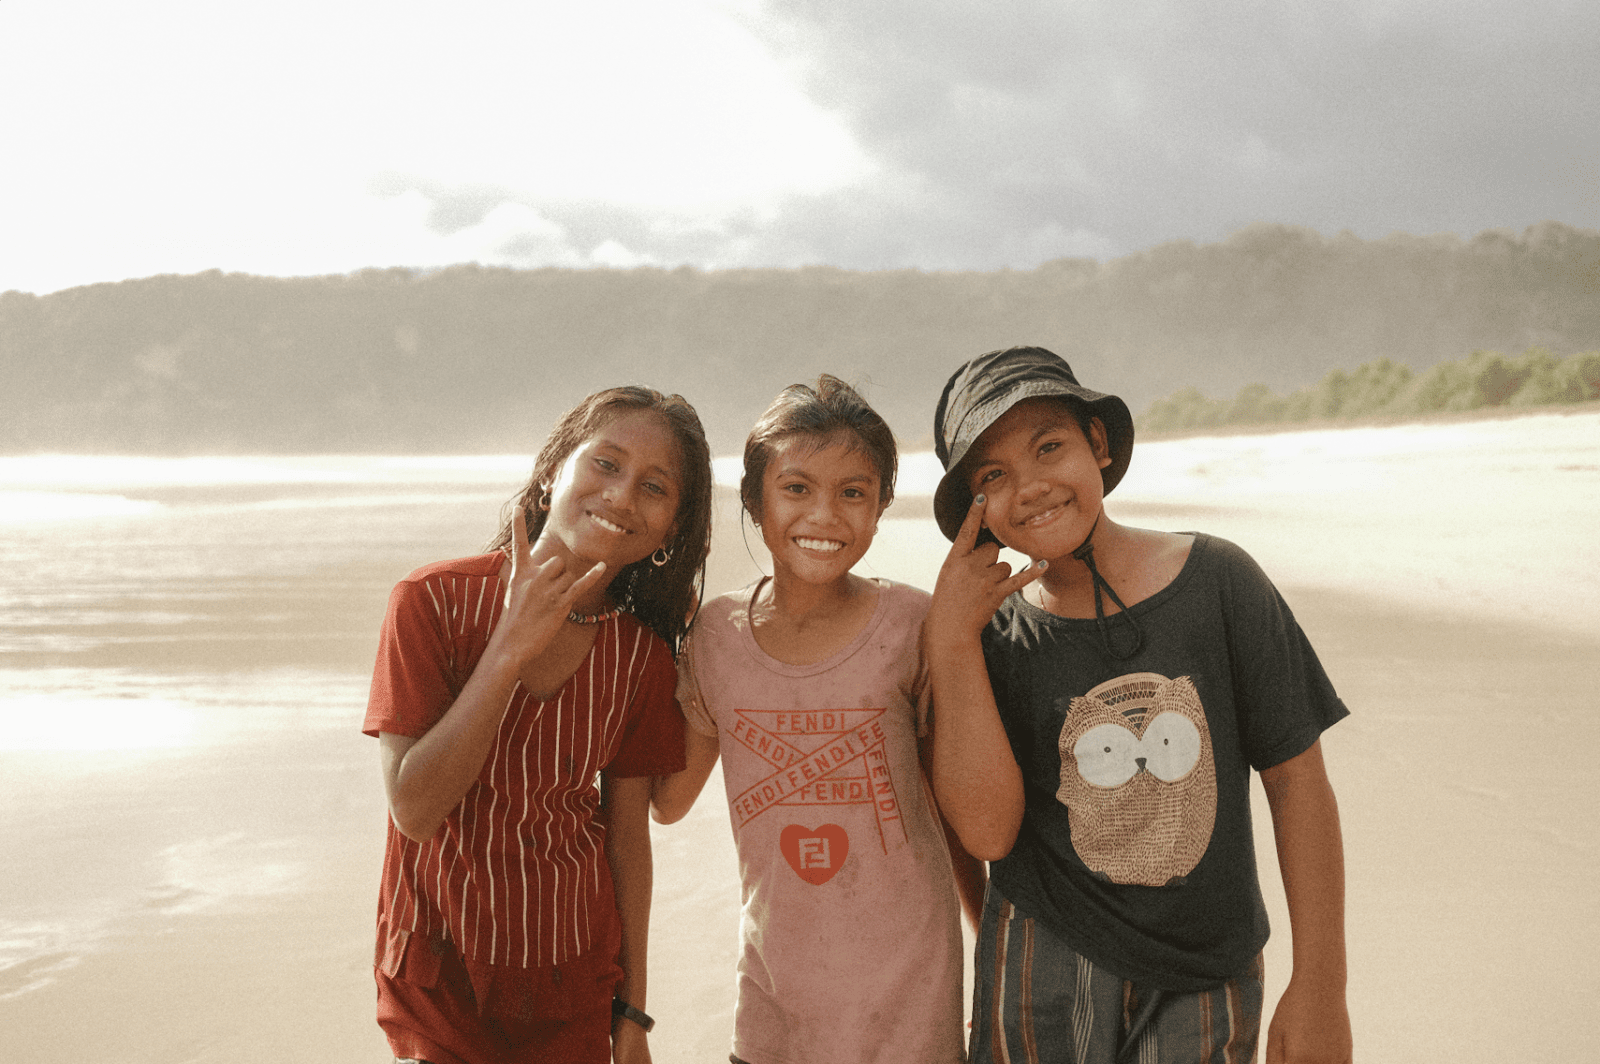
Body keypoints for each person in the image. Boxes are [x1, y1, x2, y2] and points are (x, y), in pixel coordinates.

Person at [926, 347, 1352, 1064]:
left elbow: (1297, 783)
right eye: (993, 475)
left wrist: (1321, 984)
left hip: (1208, 970)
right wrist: (951, 647)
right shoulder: (988, 635)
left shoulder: (1220, 583)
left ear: (1098, 444)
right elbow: (986, 835)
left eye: (1048, 446)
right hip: (1040, 967)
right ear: (976, 508)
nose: (1028, 487)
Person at [363, 385, 714, 1064]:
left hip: (572, 982)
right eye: (606, 465)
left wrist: (633, 1013)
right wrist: (509, 648)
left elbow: (626, 840)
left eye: (654, 487)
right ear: (555, 468)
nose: (620, 496)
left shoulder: (640, 655)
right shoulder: (432, 602)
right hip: (439, 980)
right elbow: (414, 806)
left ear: (671, 529)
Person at [651, 376, 985, 1064]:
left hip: (910, 1004)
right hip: (776, 1004)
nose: (825, 515)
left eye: (853, 492)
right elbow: (668, 800)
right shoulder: (715, 636)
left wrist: (995, 957)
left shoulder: (913, 624)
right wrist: (649, 638)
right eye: (797, 488)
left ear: (882, 504)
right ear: (753, 499)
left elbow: (957, 814)